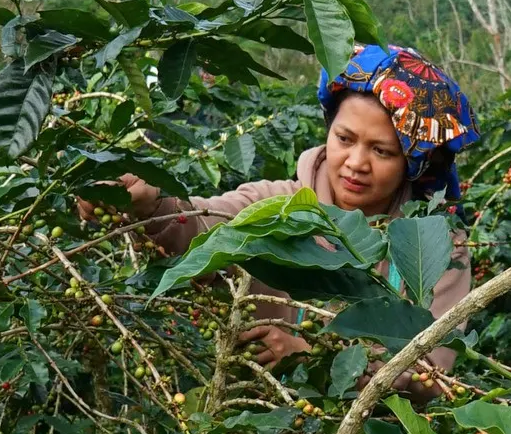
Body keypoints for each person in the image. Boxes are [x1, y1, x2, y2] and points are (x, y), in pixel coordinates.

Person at [101, 44, 480, 383]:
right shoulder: (278, 205)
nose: (356, 163)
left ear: (412, 163)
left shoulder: (439, 248)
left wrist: (317, 357)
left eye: (381, 151)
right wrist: (151, 205)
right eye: (344, 139)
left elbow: (433, 371)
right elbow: (201, 222)